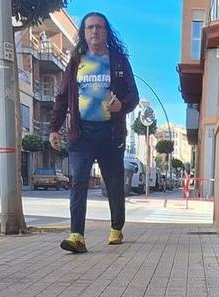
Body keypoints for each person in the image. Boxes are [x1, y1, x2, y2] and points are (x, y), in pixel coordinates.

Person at [50, 12, 139, 254]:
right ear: (84, 32)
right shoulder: (75, 62)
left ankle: (116, 227)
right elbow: (62, 98)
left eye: (99, 27)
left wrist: (121, 106)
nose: (95, 31)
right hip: (82, 134)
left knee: (114, 184)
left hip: (111, 132)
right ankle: (77, 236)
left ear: (106, 32)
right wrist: (54, 128)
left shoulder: (118, 61)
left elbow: (133, 95)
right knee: (79, 182)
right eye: (90, 27)